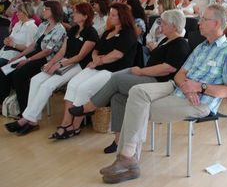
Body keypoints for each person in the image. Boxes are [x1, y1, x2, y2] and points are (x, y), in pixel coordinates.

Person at [97, 4, 227, 184]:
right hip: (179, 89)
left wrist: (199, 87)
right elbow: (180, 74)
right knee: (137, 93)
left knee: (138, 107)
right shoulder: (201, 47)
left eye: (204, 19)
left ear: (217, 23)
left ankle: (127, 158)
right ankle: (127, 158)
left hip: (201, 102)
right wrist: (186, 86)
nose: (199, 23)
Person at [69, 9, 191, 153]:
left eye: (163, 24)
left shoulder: (180, 44)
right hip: (148, 76)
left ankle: (89, 107)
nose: (160, 26)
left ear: (174, 26)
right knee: (117, 96)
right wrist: (139, 71)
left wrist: (141, 71)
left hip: (160, 83)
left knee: (116, 80)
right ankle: (118, 140)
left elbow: (167, 69)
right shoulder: (166, 40)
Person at [4, 3, 98, 135]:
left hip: (78, 65)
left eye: (76, 12)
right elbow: (62, 51)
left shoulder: (91, 33)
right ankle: (31, 119)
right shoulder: (73, 29)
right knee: (36, 80)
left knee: (47, 85)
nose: (73, 14)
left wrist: (59, 65)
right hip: (64, 61)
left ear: (85, 16)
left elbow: (79, 57)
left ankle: (27, 120)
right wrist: (51, 63)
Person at [49, 3, 138, 140]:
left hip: (114, 71)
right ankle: (66, 123)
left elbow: (117, 55)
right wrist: (96, 58)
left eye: (114, 15)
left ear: (123, 17)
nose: (111, 17)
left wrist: (99, 61)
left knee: (84, 88)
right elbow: (96, 49)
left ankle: (75, 126)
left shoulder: (129, 33)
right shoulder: (108, 32)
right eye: (111, 14)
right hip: (97, 66)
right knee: (73, 84)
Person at [0, 1, 66, 113]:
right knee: (8, 68)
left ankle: (24, 110)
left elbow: (47, 51)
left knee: (19, 74)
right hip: (35, 55)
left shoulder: (59, 29)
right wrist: (18, 57)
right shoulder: (43, 25)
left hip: (47, 59)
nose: (43, 11)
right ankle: (5, 103)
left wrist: (27, 60)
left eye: (46, 9)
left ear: (54, 11)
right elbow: (33, 45)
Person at [0, 2, 38, 67]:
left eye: (19, 12)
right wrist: (6, 40)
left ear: (26, 13)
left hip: (14, 54)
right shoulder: (18, 24)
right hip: (4, 51)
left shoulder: (32, 27)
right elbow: (11, 37)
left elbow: (29, 48)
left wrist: (14, 45)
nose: (16, 14)